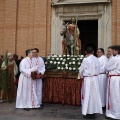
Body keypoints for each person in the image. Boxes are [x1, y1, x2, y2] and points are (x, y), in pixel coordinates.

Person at [79, 47, 102, 119]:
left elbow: (81, 69)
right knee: (94, 95)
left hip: (88, 79)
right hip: (95, 79)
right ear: (93, 51)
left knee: (87, 95)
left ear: (85, 52)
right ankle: (93, 112)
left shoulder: (86, 59)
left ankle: (88, 112)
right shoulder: (97, 59)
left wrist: (81, 75)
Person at [105, 46, 120, 119]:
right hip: (118, 77)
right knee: (117, 95)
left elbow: (107, 67)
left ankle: (114, 114)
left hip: (114, 79)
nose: (112, 52)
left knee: (113, 96)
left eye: (113, 50)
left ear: (117, 51)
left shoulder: (115, 59)